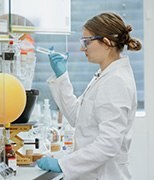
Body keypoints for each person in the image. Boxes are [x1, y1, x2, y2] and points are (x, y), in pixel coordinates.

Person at [36, 12, 142, 180]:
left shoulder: (115, 81)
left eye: (86, 41)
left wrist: (63, 164)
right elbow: (77, 117)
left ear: (106, 43)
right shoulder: (105, 75)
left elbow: (109, 144)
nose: (82, 48)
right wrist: (62, 77)